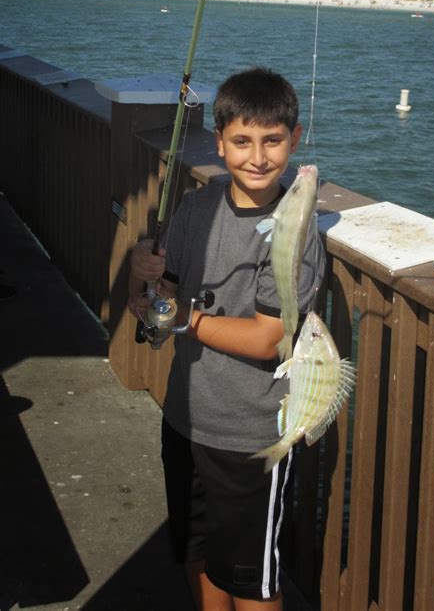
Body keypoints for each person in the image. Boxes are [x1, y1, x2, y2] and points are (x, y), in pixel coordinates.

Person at [128, 67, 325, 611]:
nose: (257, 157)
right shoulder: (196, 207)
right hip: (186, 420)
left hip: (253, 437)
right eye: (241, 141)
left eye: (272, 141)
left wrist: (183, 317)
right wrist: (138, 276)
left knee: (252, 580)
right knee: (199, 554)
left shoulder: (296, 226)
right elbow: (157, 306)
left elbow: (268, 339)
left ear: (295, 140)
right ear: (219, 144)